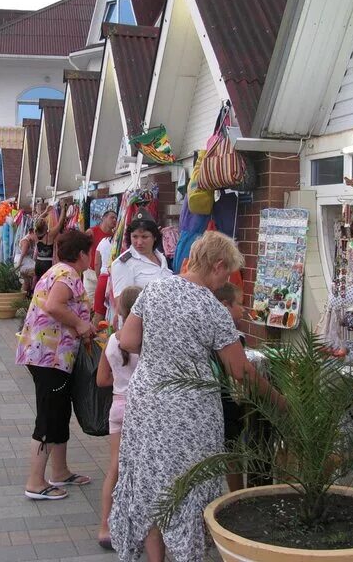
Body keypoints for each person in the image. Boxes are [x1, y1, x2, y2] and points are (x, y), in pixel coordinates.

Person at [110, 232, 282, 562]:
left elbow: (129, 340)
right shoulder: (212, 309)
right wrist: (280, 402)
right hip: (190, 411)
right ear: (217, 265)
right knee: (187, 485)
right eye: (227, 273)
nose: (225, 281)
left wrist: (163, 351)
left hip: (146, 401)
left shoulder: (155, 288)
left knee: (151, 482)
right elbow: (240, 371)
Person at [16, 229, 96, 501]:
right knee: (49, 417)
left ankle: (60, 471)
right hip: (50, 356)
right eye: (90, 252)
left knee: (59, 413)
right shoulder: (67, 275)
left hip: (49, 355)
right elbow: (53, 306)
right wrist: (80, 323)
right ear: (83, 254)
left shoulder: (58, 271)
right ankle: (35, 482)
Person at [96, 286, 142, 550]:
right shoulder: (147, 341)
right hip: (142, 409)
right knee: (142, 468)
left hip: (118, 407)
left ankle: (105, 526)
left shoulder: (113, 340)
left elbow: (102, 380)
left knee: (115, 467)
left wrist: (120, 377)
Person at [212, 282, 247, 492]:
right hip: (225, 401)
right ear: (225, 306)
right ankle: (237, 494)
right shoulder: (230, 337)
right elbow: (239, 371)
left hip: (223, 399)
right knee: (232, 452)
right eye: (240, 304)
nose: (243, 309)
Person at [109, 211, 171, 319]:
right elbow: (121, 305)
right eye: (135, 236)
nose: (139, 242)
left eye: (144, 237)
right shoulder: (124, 263)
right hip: (139, 325)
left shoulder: (161, 258)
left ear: (155, 237)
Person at [84, 210, 118, 303]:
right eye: (112, 217)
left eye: (116, 218)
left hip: (105, 274)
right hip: (90, 272)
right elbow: (82, 249)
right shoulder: (92, 232)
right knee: (89, 301)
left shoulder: (114, 237)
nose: (114, 220)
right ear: (104, 218)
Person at [34, 205, 68, 286]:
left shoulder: (36, 234)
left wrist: (46, 211)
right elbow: (60, 224)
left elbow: (37, 222)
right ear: (45, 227)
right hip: (47, 264)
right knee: (48, 285)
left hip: (38, 263)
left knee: (40, 284)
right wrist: (63, 208)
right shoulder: (50, 235)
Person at [92, 235, 113, 325]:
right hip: (114, 278)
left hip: (103, 277)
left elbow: (97, 263)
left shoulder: (103, 242)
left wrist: (99, 278)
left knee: (99, 312)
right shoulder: (125, 243)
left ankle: (95, 335)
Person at [15, 227, 37, 297]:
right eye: (35, 234)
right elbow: (22, 255)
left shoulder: (30, 241)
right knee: (36, 271)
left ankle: (24, 296)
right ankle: (31, 292)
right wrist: (18, 266)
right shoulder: (26, 242)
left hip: (25, 261)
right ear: (31, 233)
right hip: (22, 261)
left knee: (26, 281)